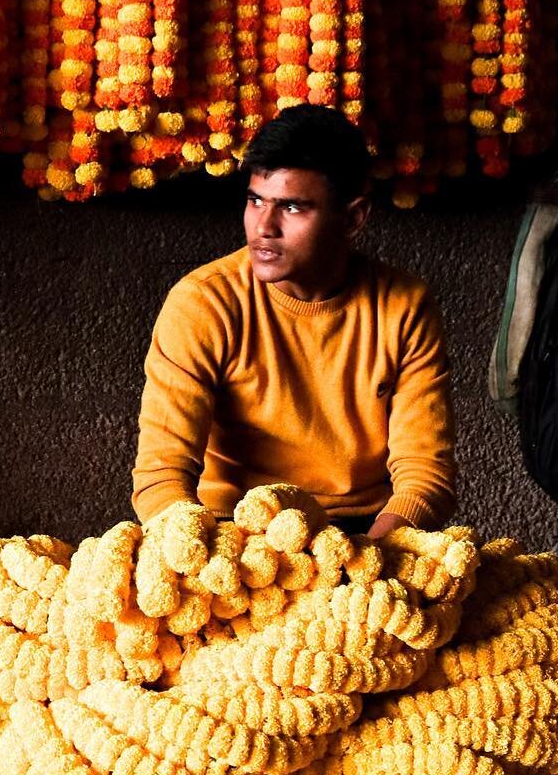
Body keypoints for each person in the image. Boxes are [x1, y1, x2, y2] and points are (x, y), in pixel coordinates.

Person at [132, 104, 456, 536]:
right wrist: (203, 554)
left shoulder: (403, 306)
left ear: (353, 217)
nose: (264, 226)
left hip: (365, 533)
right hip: (231, 533)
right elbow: (161, 476)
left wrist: (367, 564)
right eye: (255, 200)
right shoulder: (204, 303)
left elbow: (425, 475)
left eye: (292, 207)